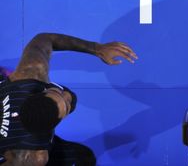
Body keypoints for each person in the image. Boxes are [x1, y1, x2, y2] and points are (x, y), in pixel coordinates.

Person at [0, 33, 137, 165]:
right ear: (49, 127)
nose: (67, 95)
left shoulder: (30, 73)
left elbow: (44, 39)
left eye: (58, 93)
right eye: (66, 106)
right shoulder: (32, 158)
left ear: (40, 93)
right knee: (80, 158)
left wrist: (97, 49)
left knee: (83, 156)